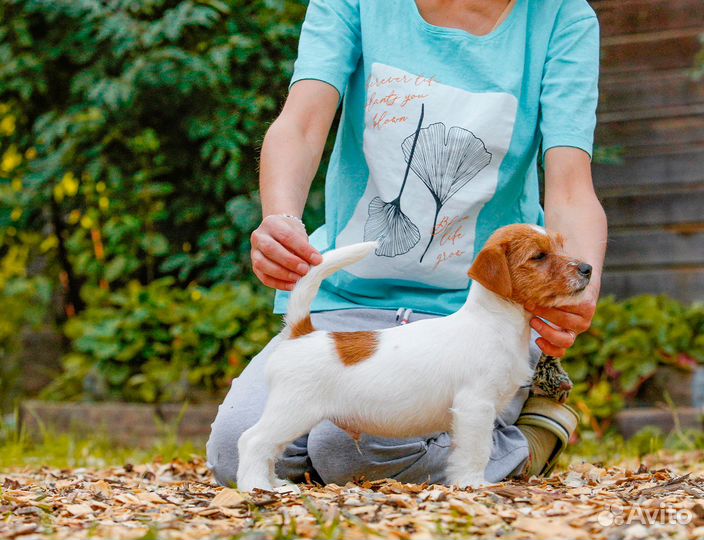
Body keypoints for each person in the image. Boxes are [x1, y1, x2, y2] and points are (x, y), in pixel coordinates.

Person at [207, 0, 607, 486]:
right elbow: (301, 125)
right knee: (235, 450)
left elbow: (570, 187)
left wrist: (577, 287)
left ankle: (530, 440)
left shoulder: (561, 18)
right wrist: (281, 218)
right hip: (349, 304)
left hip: (480, 318)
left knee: (351, 450)